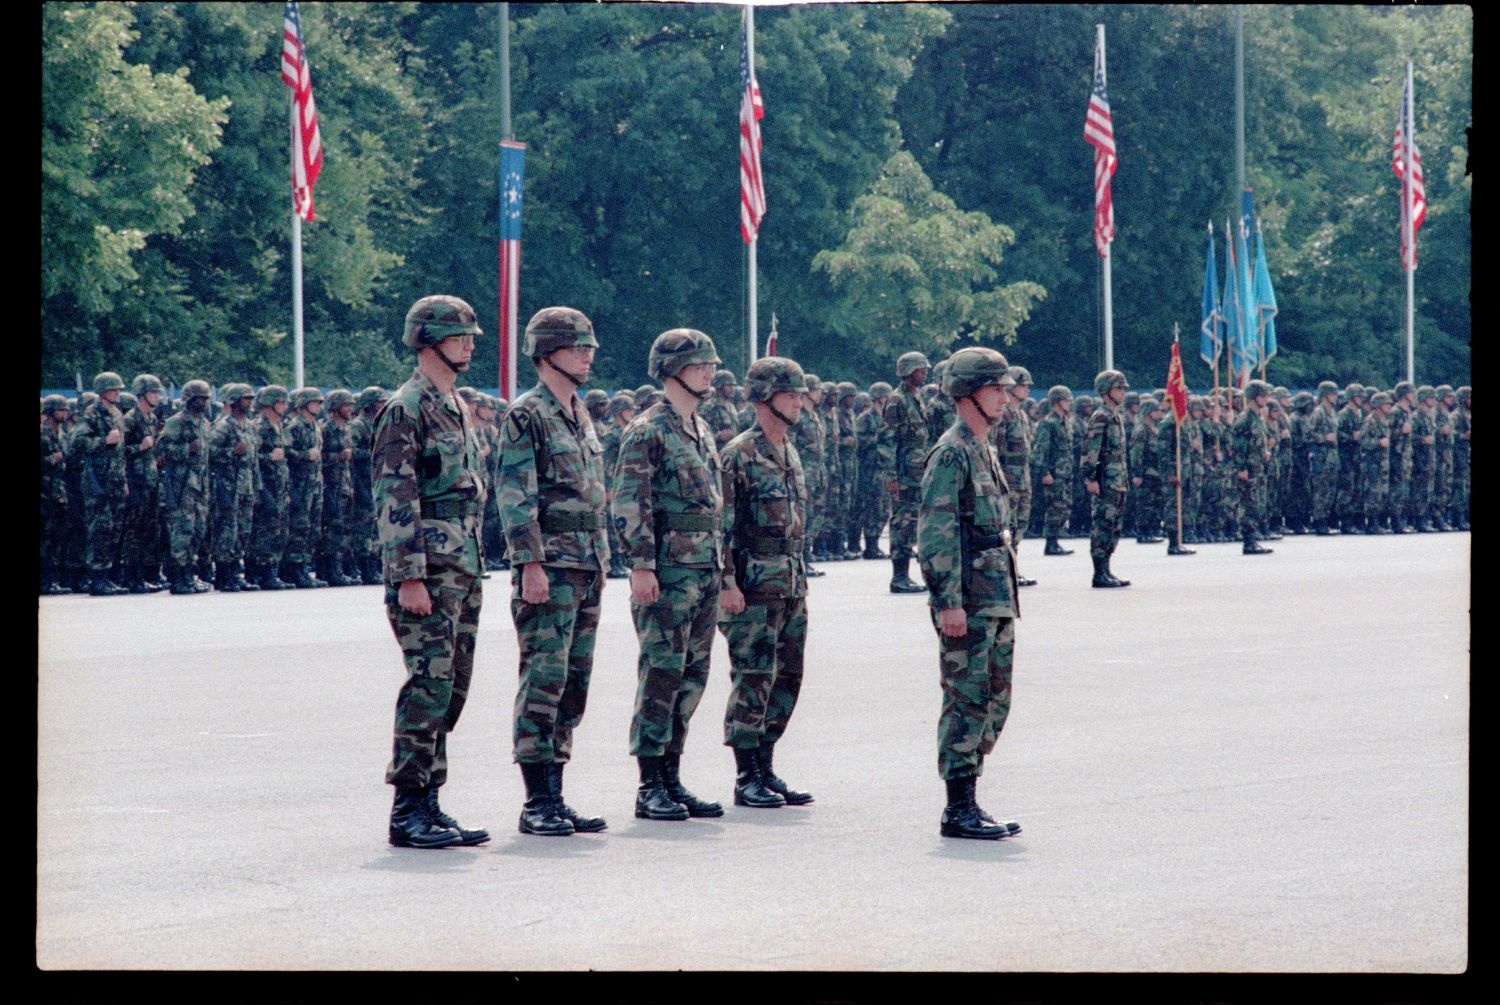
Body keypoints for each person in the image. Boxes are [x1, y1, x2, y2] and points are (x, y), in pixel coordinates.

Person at [374, 294, 491, 849]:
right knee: (429, 685)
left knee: (452, 689)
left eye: (470, 335)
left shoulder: (457, 404)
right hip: (428, 571)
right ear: (427, 340)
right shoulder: (407, 407)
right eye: (457, 334)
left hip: (462, 566)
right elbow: (395, 496)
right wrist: (408, 577)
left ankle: (431, 801)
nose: (469, 342)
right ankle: (407, 810)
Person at [498, 306, 612, 837]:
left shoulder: (578, 411)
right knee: (543, 679)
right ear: (547, 353)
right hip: (552, 568)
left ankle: (557, 794)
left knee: (573, 683)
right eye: (577, 347)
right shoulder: (528, 414)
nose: (588, 355)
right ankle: (535, 801)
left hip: (586, 564)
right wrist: (530, 564)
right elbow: (516, 497)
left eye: (589, 347)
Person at [612, 328, 726, 822]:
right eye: (700, 364)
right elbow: (629, 501)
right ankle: (649, 784)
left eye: (710, 364)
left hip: (702, 570)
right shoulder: (648, 430)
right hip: (667, 572)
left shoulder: (699, 428)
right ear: (671, 370)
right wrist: (641, 564)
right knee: (661, 673)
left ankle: (672, 777)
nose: (710, 371)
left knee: (691, 676)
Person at [916, 346, 1021, 841]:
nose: (1004, 397)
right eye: (994, 388)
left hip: (996, 594)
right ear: (967, 394)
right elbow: (936, 534)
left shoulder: (983, 447)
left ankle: (971, 797)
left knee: (994, 699)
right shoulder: (952, 452)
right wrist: (948, 602)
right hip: (970, 600)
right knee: (967, 698)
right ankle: (957, 807)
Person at [717, 356, 815, 810]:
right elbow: (722, 527)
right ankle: (745, 775)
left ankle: (766, 765)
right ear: (763, 399)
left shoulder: (789, 452)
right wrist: (727, 583)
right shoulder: (738, 455)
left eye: (799, 394)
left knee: (787, 676)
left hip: (791, 582)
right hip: (754, 586)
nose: (798, 402)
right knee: (754, 675)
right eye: (789, 394)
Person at [878, 352, 932, 593]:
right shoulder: (897, 401)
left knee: (913, 523)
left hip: (917, 474)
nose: (925, 373)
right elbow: (887, 441)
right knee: (902, 524)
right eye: (921, 370)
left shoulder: (916, 398)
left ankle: (907, 575)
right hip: (903, 475)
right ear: (909, 372)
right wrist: (890, 477)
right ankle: (899, 577)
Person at [158, 380, 215, 594]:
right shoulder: (177, 422)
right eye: (201, 398)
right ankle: (178, 577)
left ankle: (189, 574)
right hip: (182, 485)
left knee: (198, 531)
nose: (204, 402)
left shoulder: (204, 424)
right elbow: (160, 450)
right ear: (191, 400)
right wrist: (186, 449)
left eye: (206, 398)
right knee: (182, 531)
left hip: (200, 485)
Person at [208, 383, 261, 592]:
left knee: (243, 530)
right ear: (235, 402)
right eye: (245, 399)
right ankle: (223, 573)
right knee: (227, 530)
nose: (249, 402)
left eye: (250, 399)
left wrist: (257, 485)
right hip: (228, 485)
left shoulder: (249, 425)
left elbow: (253, 458)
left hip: (246, 484)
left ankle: (235, 572)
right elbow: (210, 452)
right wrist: (232, 452)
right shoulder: (224, 426)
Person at [1081, 370, 1132, 587]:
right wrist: (1090, 478)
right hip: (1105, 481)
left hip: (1118, 480)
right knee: (1102, 525)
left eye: (1123, 389)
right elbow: (1091, 450)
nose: (1123, 393)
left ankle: (1107, 570)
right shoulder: (1101, 416)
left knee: (1114, 526)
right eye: (1118, 388)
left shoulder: (1114, 416)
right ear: (1106, 391)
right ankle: (1098, 573)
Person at [1233, 380, 1276, 554]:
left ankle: (1253, 538)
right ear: (1254, 397)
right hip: (1249, 469)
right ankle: (1248, 541)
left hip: (1258, 467)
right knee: (1249, 505)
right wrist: (1241, 468)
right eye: (1263, 395)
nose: (1266, 399)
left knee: (1258, 503)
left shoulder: (1258, 418)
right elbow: (1238, 446)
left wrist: (1264, 450)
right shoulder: (1245, 419)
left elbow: (1255, 442)